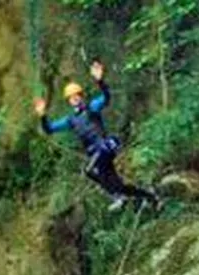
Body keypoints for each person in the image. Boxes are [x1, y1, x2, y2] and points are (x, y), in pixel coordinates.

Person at [34, 60, 160, 212]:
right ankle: (148, 195)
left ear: (81, 96)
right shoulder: (70, 120)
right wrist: (42, 115)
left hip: (105, 147)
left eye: (77, 96)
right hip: (95, 154)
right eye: (71, 97)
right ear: (68, 101)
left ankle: (117, 197)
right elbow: (49, 129)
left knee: (89, 171)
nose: (75, 98)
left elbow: (106, 97)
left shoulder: (91, 107)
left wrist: (100, 80)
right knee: (119, 186)